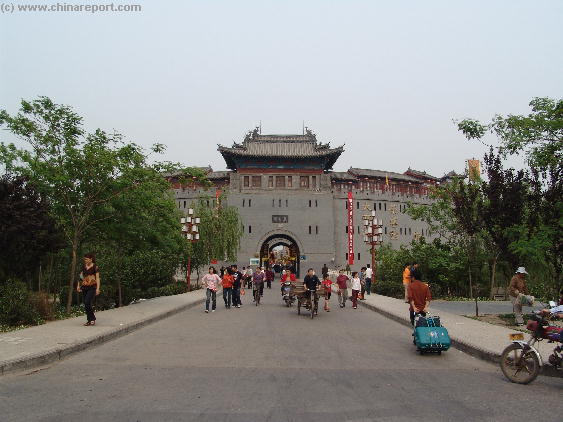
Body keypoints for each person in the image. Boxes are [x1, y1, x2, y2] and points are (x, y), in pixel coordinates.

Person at [77, 253, 100, 326]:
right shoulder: (83, 266)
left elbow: (98, 278)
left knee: (87, 302)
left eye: (86, 259)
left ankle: (92, 319)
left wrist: (97, 289)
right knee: (86, 304)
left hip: (92, 287)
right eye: (85, 259)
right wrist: (78, 286)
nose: (85, 260)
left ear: (91, 259)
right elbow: (80, 277)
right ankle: (89, 320)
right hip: (84, 287)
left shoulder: (95, 267)